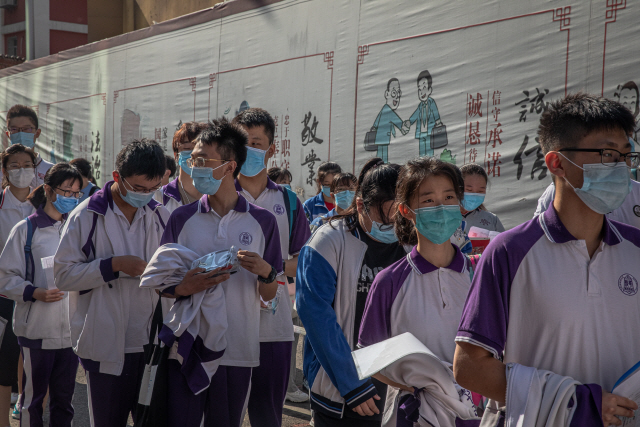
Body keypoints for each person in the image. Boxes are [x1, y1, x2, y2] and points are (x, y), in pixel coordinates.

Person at [453, 94, 640, 427]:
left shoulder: (636, 249)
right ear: (557, 163)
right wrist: (577, 403)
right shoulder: (509, 251)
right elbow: (469, 366)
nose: (622, 168)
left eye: (627, 156)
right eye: (608, 154)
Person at [158, 118, 283, 427]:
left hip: (238, 349)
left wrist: (267, 274)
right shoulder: (181, 219)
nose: (193, 165)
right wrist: (186, 285)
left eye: (203, 160)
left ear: (229, 166)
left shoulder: (263, 222)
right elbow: (161, 283)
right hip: (188, 347)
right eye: (192, 159)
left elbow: (269, 296)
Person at [54, 139, 169, 427]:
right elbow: (63, 275)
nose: (145, 196)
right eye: (139, 188)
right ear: (117, 177)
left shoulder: (159, 216)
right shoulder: (86, 216)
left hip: (149, 342)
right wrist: (113, 266)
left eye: (152, 189)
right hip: (104, 340)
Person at [358, 157, 477, 426]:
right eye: (428, 200)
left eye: (448, 197)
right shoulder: (389, 281)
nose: (441, 207)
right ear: (406, 210)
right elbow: (370, 358)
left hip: (476, 415)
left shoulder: (479, 274)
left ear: (460, 206)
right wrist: (417, 389)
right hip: (412, 415)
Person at [297, 158, 407, 427]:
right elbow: (317, 317)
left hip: (397, 381)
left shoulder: (410, 242)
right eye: (388, 213)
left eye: (402, 213)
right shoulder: (328, 241)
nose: (395, 222)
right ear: (360, 205)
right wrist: (351, 384)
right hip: (343, 387)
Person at [231, 108, 312, 425]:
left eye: (256, 142)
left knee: (268, 416)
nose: (249, 150)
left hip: (274, 329)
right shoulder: (217, 198)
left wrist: (270, 266)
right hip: (225, 327)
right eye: (242, 143)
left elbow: (303, 264)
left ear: (272, 148)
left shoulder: (289, 201)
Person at [0, 163, 83, 426]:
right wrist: (33, 292)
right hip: (36, 330)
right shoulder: (26, 230)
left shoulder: (77, 229)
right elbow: (4, 277)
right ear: (48, 190)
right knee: (32, 401)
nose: (71, 198)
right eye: (66, 191)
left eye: (76, 193)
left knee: (64, 401)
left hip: (71, 333)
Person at [0, 144, 37, 425]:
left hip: (37, 292)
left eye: (27, 165)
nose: (21, 171)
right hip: (3, 293)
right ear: (5, 171)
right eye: (14, 166)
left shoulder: (43, 203)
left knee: (32, 355)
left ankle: (24, 409)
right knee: (5, 360)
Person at [155, 122, 203, 213]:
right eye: (187, 148)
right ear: (176, 155)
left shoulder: (217, 196)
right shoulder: (160, 198)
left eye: (199, 150)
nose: (193, 155)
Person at [2, 105, 54, 187]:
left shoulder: (51, 171)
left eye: (27, 129)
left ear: (37, 133)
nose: (21, 134)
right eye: (14, 129)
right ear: (8, 134)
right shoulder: (2, 168)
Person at [404, 71, 444, 157]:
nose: (422, 91)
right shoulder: (420, 106)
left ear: (430, 90)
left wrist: (438, 122)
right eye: (419, 89)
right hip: (421, 132)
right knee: (422, 153)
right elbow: (415, 115)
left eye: (424, 87)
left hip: (430, 132)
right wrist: (409, 122)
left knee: (429, 153)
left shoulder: (431, 102)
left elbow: (435, 112)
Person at [370, 78, 408, 163]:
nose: (397, 96)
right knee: (383, 152)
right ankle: (382, 163)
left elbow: (377, 119)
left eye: (399, 93)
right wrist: (402, 127)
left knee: (382, 151)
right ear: (387, 94)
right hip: (382, 137)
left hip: (381, 137)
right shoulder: (388, 110)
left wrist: (374, 127)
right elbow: (396, 120)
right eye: (394, 93)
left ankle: (381, 163)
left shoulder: (384, 109)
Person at [458, 163, 504, 232]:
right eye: (469, 190)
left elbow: (503, 242)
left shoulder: (492, 220)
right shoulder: (442, 218)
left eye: (480, 191)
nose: (474, 195)